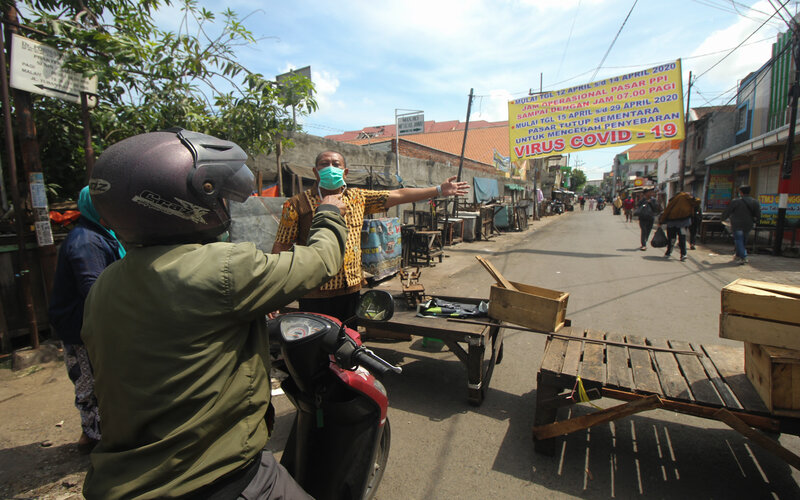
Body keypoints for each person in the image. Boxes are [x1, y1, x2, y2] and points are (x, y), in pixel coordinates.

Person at [81, 129, 348, 499]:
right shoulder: (223, 267)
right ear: (181, 200)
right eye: (216, 195)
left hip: (121, 481)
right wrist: (331, 209)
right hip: (218, 477)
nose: (224, 204)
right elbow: (320, 261)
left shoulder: (106, 284)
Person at [272, 150, 469, 320]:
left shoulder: (358, 198)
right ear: (315, 172)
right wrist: (273, 294)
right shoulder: (297, 204)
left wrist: (438, 190)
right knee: (316, 344)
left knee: (346, 343)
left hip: (350, 288)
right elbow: (281, 247)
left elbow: (399, 195)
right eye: (324, 164)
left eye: (336, 164)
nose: (330, 168)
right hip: (313, 291)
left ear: (345, 172)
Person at [48, 186, 126, 455]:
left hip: (90, 323)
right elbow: (95, 290)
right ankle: (95, 440)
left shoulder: (103, 234)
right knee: (90, 383)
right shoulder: (87, 241)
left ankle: (96, 434)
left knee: (100, 380)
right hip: (81, 327)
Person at [721, 185, 761, 265]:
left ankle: (743, 257)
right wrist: (757, 221)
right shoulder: (755, 202)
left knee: (739, 240)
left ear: (741, 192)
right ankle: (738, 255)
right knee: (743, 240)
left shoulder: (736, 202)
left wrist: (722, 218)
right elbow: (758, 214)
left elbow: (727, 212)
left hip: (737, 224)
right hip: (748, 224)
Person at [658, 191, 699, 261]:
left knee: (671, 238)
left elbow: (667, 210)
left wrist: (661, 221)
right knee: (682, 238)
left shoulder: (674, 199)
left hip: (672, 223)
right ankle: (683, 254)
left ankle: (668, 252)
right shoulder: (689, 199)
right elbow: (697, 202)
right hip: (683, 223)